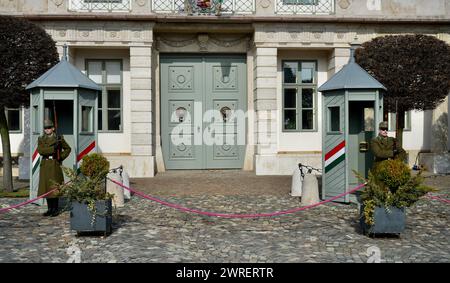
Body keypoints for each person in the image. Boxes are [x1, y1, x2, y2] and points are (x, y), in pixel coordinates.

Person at [37, 119, 71, 217]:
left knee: (54, 187)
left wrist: (60, 157)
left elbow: (68, 149)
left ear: (53, 128)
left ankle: (55, 209)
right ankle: (50, 209)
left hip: (54, 164)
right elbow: (41, 151)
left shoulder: (59, 138)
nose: (46, 130)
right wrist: (53, 149)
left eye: (48, 128)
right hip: (45, 164)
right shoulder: (41, 139)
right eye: (45, 128)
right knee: (47, 187)